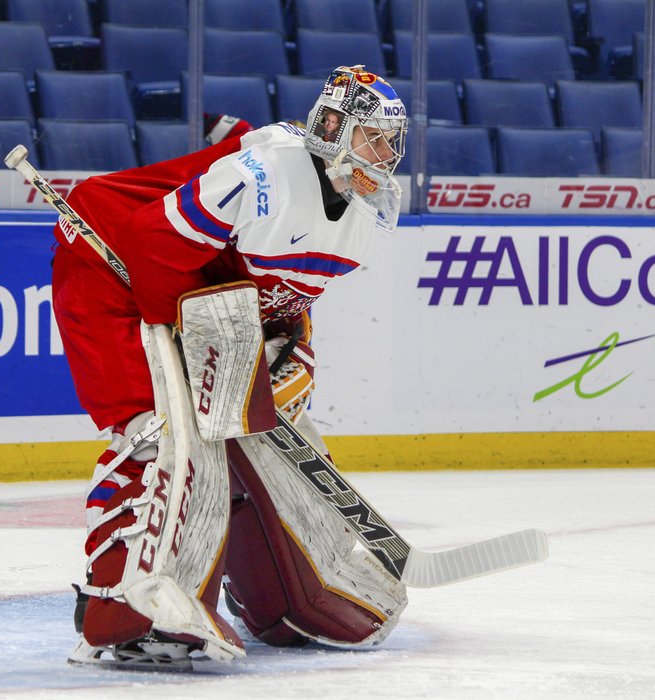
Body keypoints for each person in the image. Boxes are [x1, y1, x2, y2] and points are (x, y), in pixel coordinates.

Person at [51, 65, 409, 668]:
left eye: (393, 140)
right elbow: (147, 243)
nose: (388, 153)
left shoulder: (362, 216)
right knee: (161, 433)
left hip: (194, 289)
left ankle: (288, 601)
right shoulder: (264, 174)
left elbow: (283, 297)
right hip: (109, 262)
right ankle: (122, 610)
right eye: (374, 136)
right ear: (332, 128)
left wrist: (290, 348)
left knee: (264, 447)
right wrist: (191, 354)